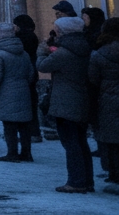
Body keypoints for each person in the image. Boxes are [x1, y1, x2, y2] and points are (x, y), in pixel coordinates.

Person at [38, 15, 93, 193]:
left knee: (71, 144)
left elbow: (43, 66)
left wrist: (42, 51)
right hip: (82, 99)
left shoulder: (63, 53)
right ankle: (87, 180)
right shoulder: (85, 48)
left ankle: (76, 181)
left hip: (65, 102)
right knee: (81, 141)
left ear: (62, 31)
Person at [0, 21, 34, 163]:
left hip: (6, 92)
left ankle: (12, 153)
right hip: (23, 91)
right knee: (24, 125)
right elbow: (31, 74)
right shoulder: (24, 53)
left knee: (9, 126)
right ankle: (26, 153)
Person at [87, 17, 119, 193]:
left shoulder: (99, 54)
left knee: (110, 139)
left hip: (107, 98)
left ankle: (114, 174)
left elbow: (93, 79)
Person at [13, 14, 43, 143]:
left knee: (27, 104)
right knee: (31, 103)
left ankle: (31, 133)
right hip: (31, 72)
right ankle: (33, 132)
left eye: (15, 25)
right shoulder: (31, 36)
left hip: (25, 74)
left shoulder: (23, 38)